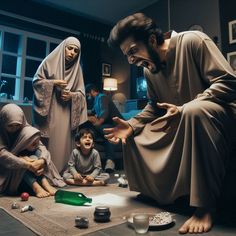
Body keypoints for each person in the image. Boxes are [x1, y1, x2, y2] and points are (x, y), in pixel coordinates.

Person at [105, 13, 236, 234]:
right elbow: (154, 106)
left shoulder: (194, 40)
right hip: (183, 119)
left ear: (153, 40)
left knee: (195, 112)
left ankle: (204, 208)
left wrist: (186, 108)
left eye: (133, 51)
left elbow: (228, 82)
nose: (131, 60)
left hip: (218, 117)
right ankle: (157, 193)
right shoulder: (149, 70)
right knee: (135, 133)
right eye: (127, 55)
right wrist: (132, 124)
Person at [32, 36, 87, 173]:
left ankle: (65, 172)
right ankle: (46, 171)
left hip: (67, 111)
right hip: (49, 110)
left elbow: (81, 94)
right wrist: (53, 83)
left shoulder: (77, 69)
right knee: (50, 143)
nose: (72, 53)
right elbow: (36, 82)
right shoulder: (49, 61)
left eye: (76, 50)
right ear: (63, 48)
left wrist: (72, 96)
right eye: (70, 48)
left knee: (65, 143)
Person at [0, 104, 65, 196]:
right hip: (6, 170)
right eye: (10, 126)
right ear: (3, 123)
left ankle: (44, 182)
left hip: (28, 166)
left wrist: (41, 161)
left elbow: (42, 147)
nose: (14, 129)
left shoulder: (25, 128)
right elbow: (3, 156)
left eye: (17, 125)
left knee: (36, 153)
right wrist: (27, 164)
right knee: (22, 161)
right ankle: (35, 186)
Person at [85, 83, 123, 173]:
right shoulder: (96, 100)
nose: (87, 97)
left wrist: (97, 122)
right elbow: (92, 111)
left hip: (115, 125)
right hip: (105, 126)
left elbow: (104, 112)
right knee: (94, 128)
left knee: (104, 131)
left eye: (88, 94)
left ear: (92, 91)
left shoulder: (102, 97)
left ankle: (110, 161)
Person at [18, 126, 57, 198]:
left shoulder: (36, 149)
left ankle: (45, 183)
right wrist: (25, 160)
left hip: (37, 176)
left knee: (38, 153)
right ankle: (36, 187)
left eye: (37, 143)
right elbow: (15, 159)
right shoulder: (18, 149)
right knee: (26, 161)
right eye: (33, 144)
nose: (36, 146)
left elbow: (44, 153)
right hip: (24, 182)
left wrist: (40, 165)